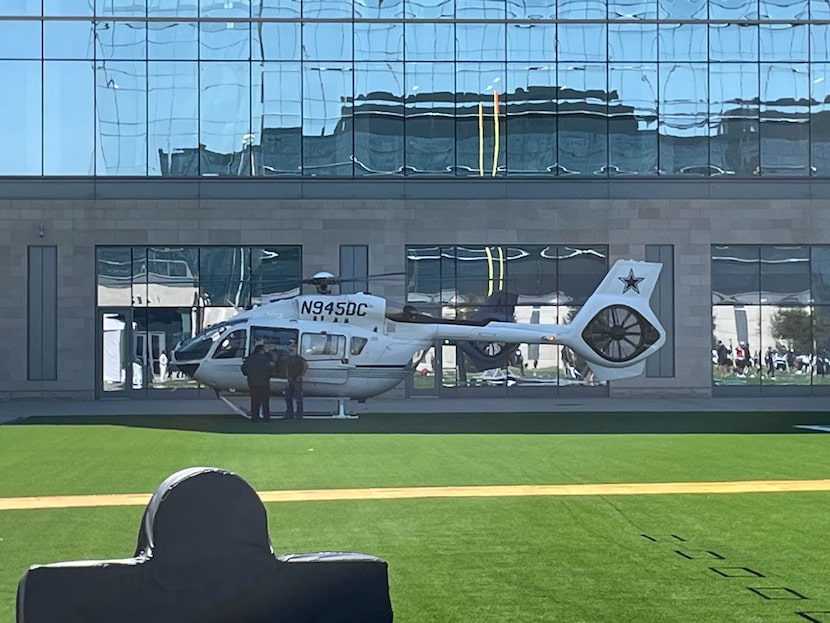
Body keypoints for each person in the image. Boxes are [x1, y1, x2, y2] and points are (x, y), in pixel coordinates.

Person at [241, 344, 273, 422]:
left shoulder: (250, 359)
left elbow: (243, 368)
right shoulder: (266, 359)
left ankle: (254, 417)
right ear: (261, 351)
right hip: (264, 383)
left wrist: (248, 375)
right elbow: (270, 369)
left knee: (254, 400)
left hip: (252, 382)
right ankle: (266, 417)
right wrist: (268, 376)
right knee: (265, 401)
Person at [284, 341, 308, 419]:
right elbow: (286, 369)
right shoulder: (288, 359)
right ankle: (289, 414)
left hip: (297, 380)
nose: (291, 350)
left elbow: (306, 366)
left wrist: (300, 376)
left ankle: (299, 414)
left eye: (293, 348)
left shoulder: (300, 359)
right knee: (288, 397)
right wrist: (287, 377)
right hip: (290, 380)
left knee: (298, 398)